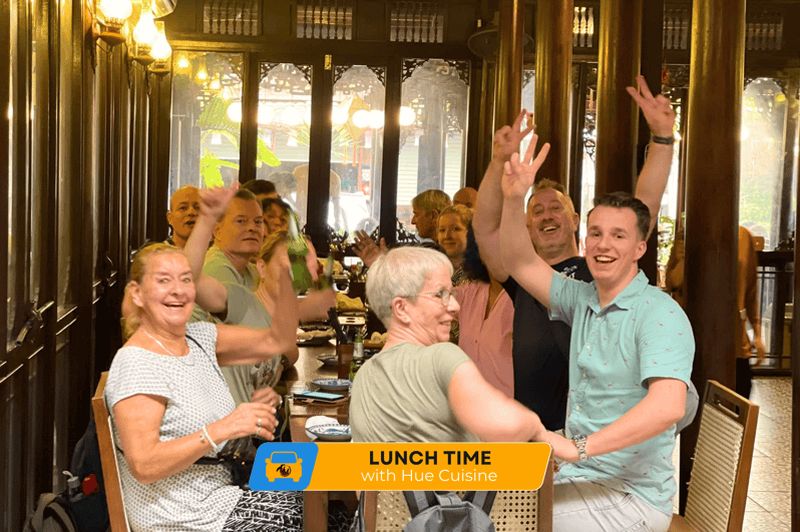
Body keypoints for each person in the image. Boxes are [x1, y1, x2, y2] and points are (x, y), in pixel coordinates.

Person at [498, 136, 694, 532]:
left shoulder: (659, 313)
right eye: (596, 234)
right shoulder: (583, 299)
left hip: (629, 497)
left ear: (639, 248)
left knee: (500, 522)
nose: (604, 245)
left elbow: (669, 406)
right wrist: (513, 198)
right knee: (478, 501)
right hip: (580, 478)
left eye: (619, 236)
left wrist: (577, 448)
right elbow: (519, 260)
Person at [473, 75, 677, 431]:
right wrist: (499, 163)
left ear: (575, 220)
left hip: (597, 434)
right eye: (537, 211)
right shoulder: (526, 278)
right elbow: (487, 229)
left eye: (556, 208)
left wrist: (662, 139)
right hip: (538, 432)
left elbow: (644, 206)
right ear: (526, 226)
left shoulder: (600, 272)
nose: (547, 215)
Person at [106, 239, 302, 531]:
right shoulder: (137, 362)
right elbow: (145, 465)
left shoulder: (198, 337)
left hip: (228, 488)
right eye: (163, 280)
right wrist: (223, 428)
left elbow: (276, 341)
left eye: (186, 279)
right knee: (315, 509)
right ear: (137, 293)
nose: (178, 290)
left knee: (332, 474)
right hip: (188, 515)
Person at [349, 246, 546, 444]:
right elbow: (515, 430)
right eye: (440, 295)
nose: (455, 306)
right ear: (401, 308)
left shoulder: (362, 377)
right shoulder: (442, 357)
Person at [185, 187, 300, 406]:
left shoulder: (250, 270)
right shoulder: (219, 269)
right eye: (241, 221)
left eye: (258, 221)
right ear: (217, 230)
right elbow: (188, 279)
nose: (252, 228)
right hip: (205, 392)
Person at [665, 225, 765, 397]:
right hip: (693, 339)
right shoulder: (688, 233)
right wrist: (684, 259)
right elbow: (672, 283)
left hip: (735, 340)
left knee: (740, 396)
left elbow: (750, 290)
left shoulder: (743, 237)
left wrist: (757, 333)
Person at [454, 227, 514, 397]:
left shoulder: (529, 296)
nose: (495, 250)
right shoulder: (470, 292)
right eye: (487, 243)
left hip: (512, 408)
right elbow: (428, 297)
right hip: (468, 406)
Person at [436, 204, 472, 286]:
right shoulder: (431, 269)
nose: (447, 236)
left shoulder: (481, 273)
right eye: (442, 230)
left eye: (456, 229)